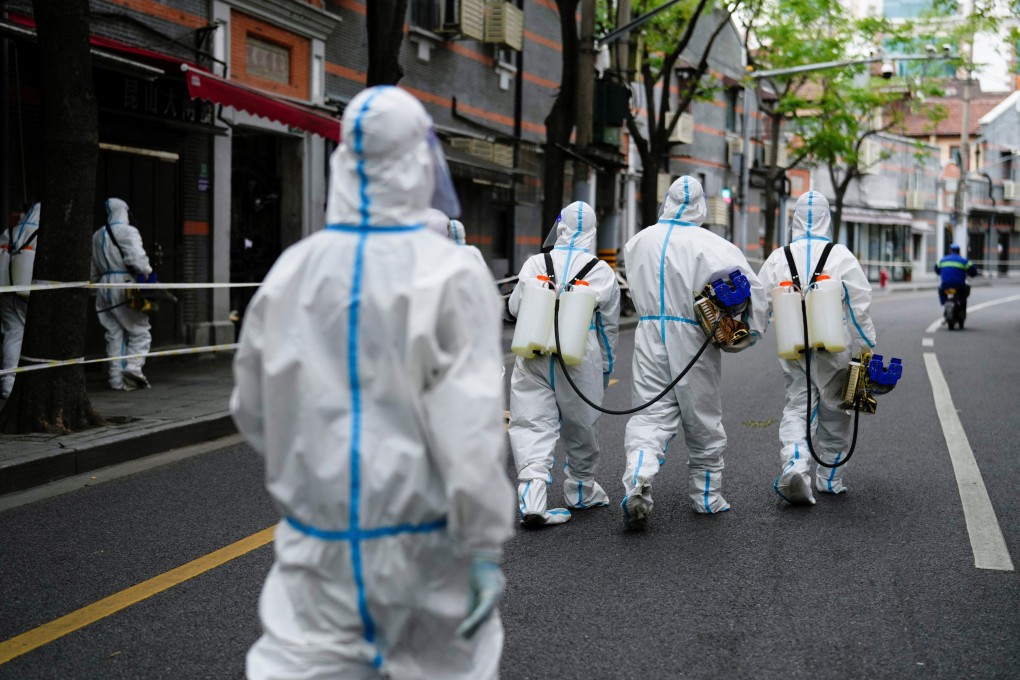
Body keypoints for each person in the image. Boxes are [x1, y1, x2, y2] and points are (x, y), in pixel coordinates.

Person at [232, 85, 515, 680]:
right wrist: (482, 545)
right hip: (427, 551)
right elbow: (471, 432)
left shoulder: (294, 271)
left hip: (316, 549)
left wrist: (319, 474)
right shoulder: (450, 275)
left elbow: (254, 408)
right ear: (418, 162)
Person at [620, 176, 767, 529]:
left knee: (650, 415)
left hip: (649, 334)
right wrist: (750, 331)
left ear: (666, 202)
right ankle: (706, 496)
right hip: (693, 335)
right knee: (701, 417)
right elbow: (754, 292)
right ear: (701, 206)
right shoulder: (714, 246)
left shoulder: (638, 242)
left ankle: (638, 479)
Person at [758, 191, 876, 505]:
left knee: (798, 407)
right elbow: (858, 307)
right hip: (833, 346)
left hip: (792, 345)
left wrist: (748, 335)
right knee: (836, 409)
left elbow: (760, 303)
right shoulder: (840, 256)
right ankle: (831, 480)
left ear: (794, 219)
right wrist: (867, 348)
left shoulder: (778, 257)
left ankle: (795, 467)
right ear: (828, 218)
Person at [507, 201, 620, 526]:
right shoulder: (600, 270)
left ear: (561, 227)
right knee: (582, 425)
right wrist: (605, 369)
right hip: (578, 353)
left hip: (533, 347)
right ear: (592, 232)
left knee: (531, 424)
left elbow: (515, 308)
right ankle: (582, 490)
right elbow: (607, 328)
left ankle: (533, 501)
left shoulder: (535, 262)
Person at [90, 198, 154, 391]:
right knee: (140, 330)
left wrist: (94, 287)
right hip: (125, 284)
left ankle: (116, 379)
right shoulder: (128, 232)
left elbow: (92, 268)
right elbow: (138, 259)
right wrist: (148, 274)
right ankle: (133, 369)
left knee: (113, 334)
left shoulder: (97, 235)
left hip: (104, 286)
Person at [0, 203, 40, 398]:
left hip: (8, 290)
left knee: (13, 335)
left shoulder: (12, 232)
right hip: (31, 291)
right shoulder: (44, 233)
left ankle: (8, 385)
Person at [935, 243, 978, 308]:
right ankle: (960, 302)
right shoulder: (964, 261)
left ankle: (944, 302)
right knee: (966, 289)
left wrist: (940, 273)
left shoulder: (942, 260)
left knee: (940, 289)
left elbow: (936, 268)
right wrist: (972, 275)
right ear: (959, 251)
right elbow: (973, 271)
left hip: (945, 284)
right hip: (959, 285)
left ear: (950, 251)